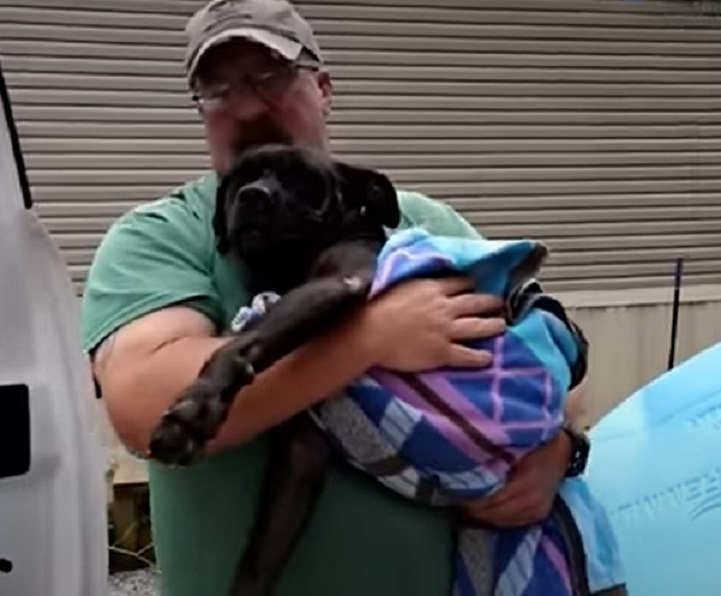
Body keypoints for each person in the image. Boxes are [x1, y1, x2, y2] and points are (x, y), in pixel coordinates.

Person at [80, 1, 602, 595]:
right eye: (218, 88)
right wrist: (371, 338)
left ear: (323, 88)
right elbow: (146, 407)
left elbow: (552, 366)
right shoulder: (163, 234)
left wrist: (557, 452)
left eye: (269, 76)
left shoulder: (421, 223)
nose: (246, 104)